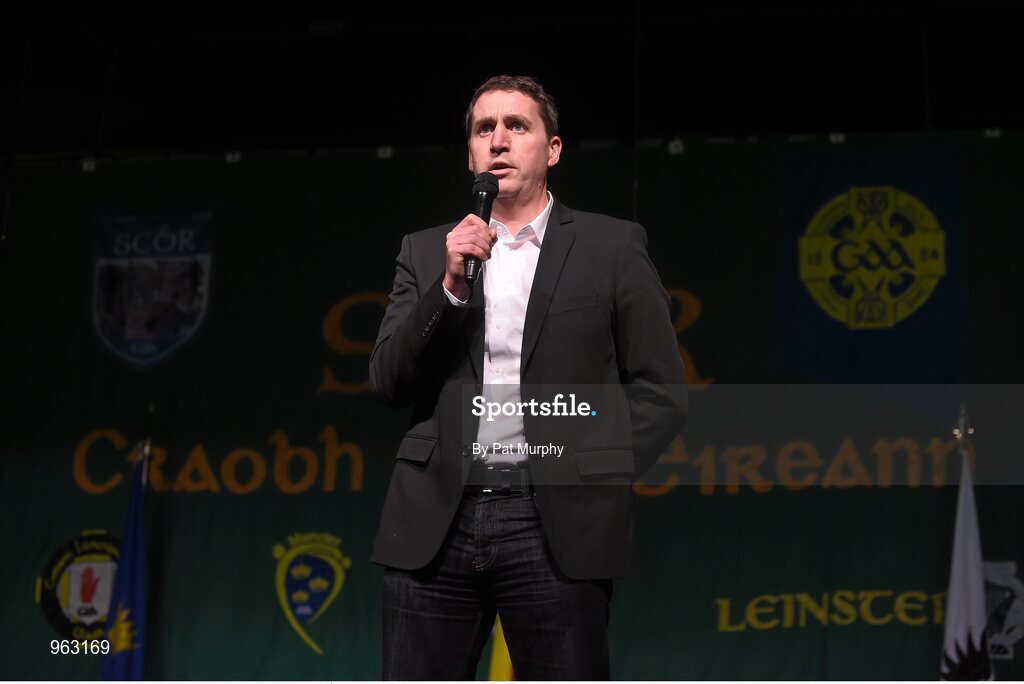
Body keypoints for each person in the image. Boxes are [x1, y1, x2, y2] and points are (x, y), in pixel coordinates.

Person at [369, 75, 687, 680]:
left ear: (553, 148)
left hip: (553, 524)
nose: (499, 140)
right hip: (436, 519)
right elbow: (388, 380)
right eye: (484, 129)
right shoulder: (426, 251)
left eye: (517, 126)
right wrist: (448, 289)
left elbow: (660, 396)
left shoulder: (612, 247)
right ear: (470, 155)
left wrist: (587, 473)